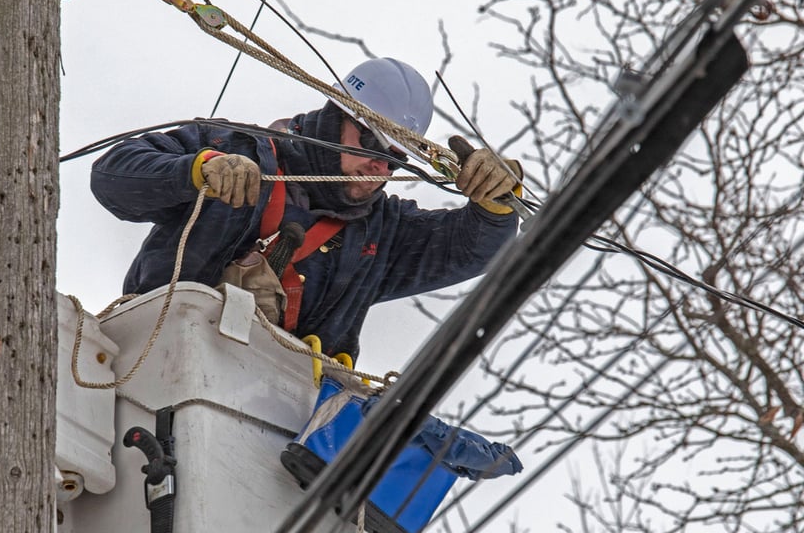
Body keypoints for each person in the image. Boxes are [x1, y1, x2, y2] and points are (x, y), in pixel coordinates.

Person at [90, 57, 522, 361]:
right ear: (335, 118)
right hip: (152, 363)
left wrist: (494, 205)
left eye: (394, 158)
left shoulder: (382, 233)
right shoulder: (233, 149)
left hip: (275, 418)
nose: (378, 166)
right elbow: (113, 177)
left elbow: (473, 250)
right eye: (370, 143)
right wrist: (198, 171)